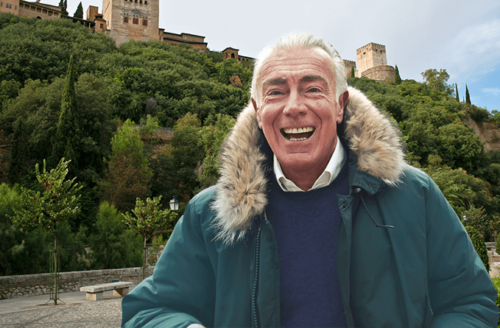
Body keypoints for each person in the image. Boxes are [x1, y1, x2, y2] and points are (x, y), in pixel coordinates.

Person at [122, 34, 498, 328]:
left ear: (340, 104)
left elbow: (469, 302)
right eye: (276, 92)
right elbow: (151, 310)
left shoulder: (415, 195)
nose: (293, 106)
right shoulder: (209, 214)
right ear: (257, 109)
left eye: (312, 88)